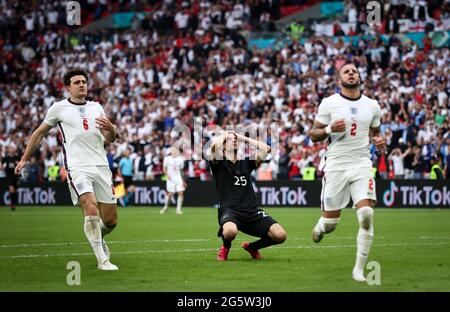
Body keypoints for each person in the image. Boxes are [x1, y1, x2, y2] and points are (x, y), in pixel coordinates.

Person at [15, 69, 119, 271]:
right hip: (77, 166)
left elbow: (109, 139)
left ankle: (100, 238)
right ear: (68, 87)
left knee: (111, 220)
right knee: (89, 206)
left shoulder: (97, 107)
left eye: (84, 81)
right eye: (77, 82)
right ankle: (102, 260)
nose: (82, 85)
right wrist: (24, 158)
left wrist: (112, 129)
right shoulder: (58, 108)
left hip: (101, 165)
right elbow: (39, 133)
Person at [308, 63, 386, 282]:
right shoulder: (329, 103)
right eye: (346, 71)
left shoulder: (372, 105)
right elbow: (313, 134)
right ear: (339, 79)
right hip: (336, 166)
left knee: (366, 214)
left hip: (362, 164)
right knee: (331, 225)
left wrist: (380, 142)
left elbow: (377, 133)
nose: (351, 73)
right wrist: (329, 129)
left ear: (360, 76)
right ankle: (322, 226)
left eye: (354, 70)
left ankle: (359, 270)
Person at [209, 130, 287, 261]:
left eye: (235, 139)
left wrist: (240, 137)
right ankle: (225, 247)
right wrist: (225, 134)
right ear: (222, 145)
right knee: (230, 232)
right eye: (229, 140)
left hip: (251, 212)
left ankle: (252, 247)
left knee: (280, 236)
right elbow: (213, 147)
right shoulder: (218, 163)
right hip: (230, 211)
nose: (234, 140)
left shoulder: (246, 162)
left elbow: (266, 148)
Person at [160, 146, 187, 215]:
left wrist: (183, 180)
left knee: (181, 193)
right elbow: (164, 168)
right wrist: (167, 175)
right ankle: (165, 207)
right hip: (170, 178)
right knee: (170, 194)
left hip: (178, 177)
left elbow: (181, 171)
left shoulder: (181, 159)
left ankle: (178, 209)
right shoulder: (167, 159)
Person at [3, 146, 21, 211]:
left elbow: (21, 166)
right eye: (11, 148)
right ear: (9, 150)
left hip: (16, 177)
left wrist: (18, 164)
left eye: (13, 148)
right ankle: (12, 205)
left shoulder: (17, 157)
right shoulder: (6, 158)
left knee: (15, 191)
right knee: (12, 190)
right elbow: (2, 166)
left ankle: (14, 204)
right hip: (9, 177)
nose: (12, 150)